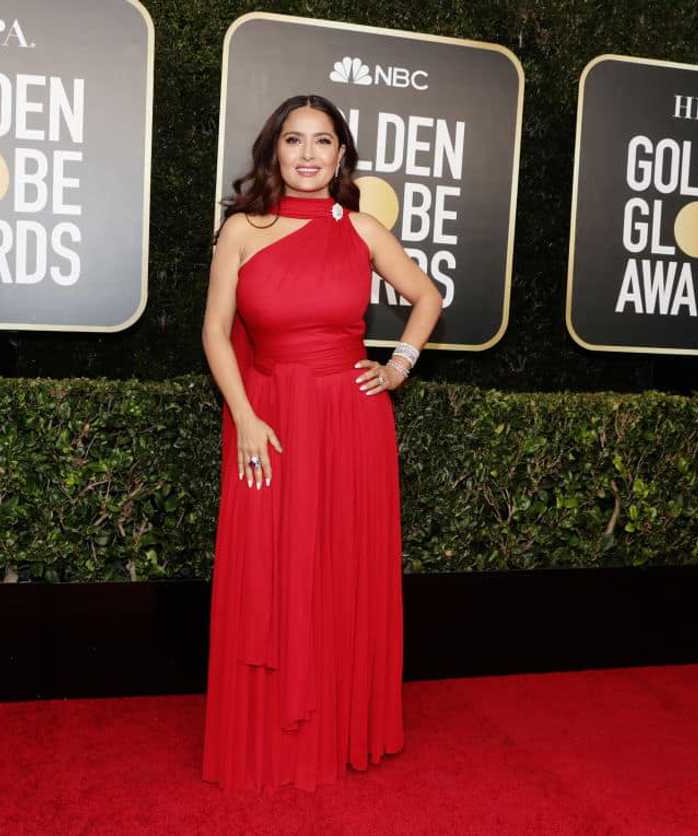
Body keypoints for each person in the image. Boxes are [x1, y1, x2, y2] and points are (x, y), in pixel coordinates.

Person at [200, 93, 443, 792]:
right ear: (274, 150)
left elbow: (427, 298)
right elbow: (216, 332)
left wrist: (398, 366)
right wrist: (244, 415)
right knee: (271, 567)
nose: (308, 155)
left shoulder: (362, 229)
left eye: (323, 142)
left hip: (350, 421)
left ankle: (337, 722)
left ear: (342, 155)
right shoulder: (243, 228)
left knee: (338, 563)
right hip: (269, 418)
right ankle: (273, 727)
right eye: (294, 141)